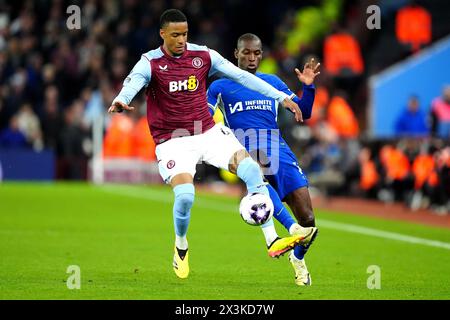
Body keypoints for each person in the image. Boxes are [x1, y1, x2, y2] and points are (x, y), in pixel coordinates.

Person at [108, 10, 317, 280]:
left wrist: (282, 97)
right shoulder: (150, 62)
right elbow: (133, 81)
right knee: (185, 197)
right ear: (162, 34)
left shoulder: (204, 56)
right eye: (175, 35)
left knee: (252, 170)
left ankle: (272, 239)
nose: (181, 39)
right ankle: (181, 245)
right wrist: (122, 98)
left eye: (184, 33)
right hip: (173, 141)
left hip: (207, 132)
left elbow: (243, 77)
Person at [207, 33, 320, 285]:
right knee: (258, 170)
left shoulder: (271, 82)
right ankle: (286, 232)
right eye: (246, 52)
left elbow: (306, 111)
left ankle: (298, 258)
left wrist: (308, 86)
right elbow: (204, 115)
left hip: (280, 152)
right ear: (235, 54)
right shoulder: (219, 86)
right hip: (246, 153)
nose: (252, 57)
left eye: (256, 53)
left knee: (310, 222)